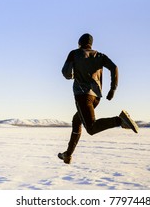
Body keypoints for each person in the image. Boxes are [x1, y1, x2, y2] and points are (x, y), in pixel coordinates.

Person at [58, 33, 138, 164]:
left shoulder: (74, 53)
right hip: (96, 98)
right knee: (76, 120)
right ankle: (68, 154)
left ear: (79, 43)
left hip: (82, 96)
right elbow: (114, 68)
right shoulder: (100, 55)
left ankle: (120, 120)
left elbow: (65, 73)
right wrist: (113, 88)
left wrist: (72, 75)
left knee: (91, 128)